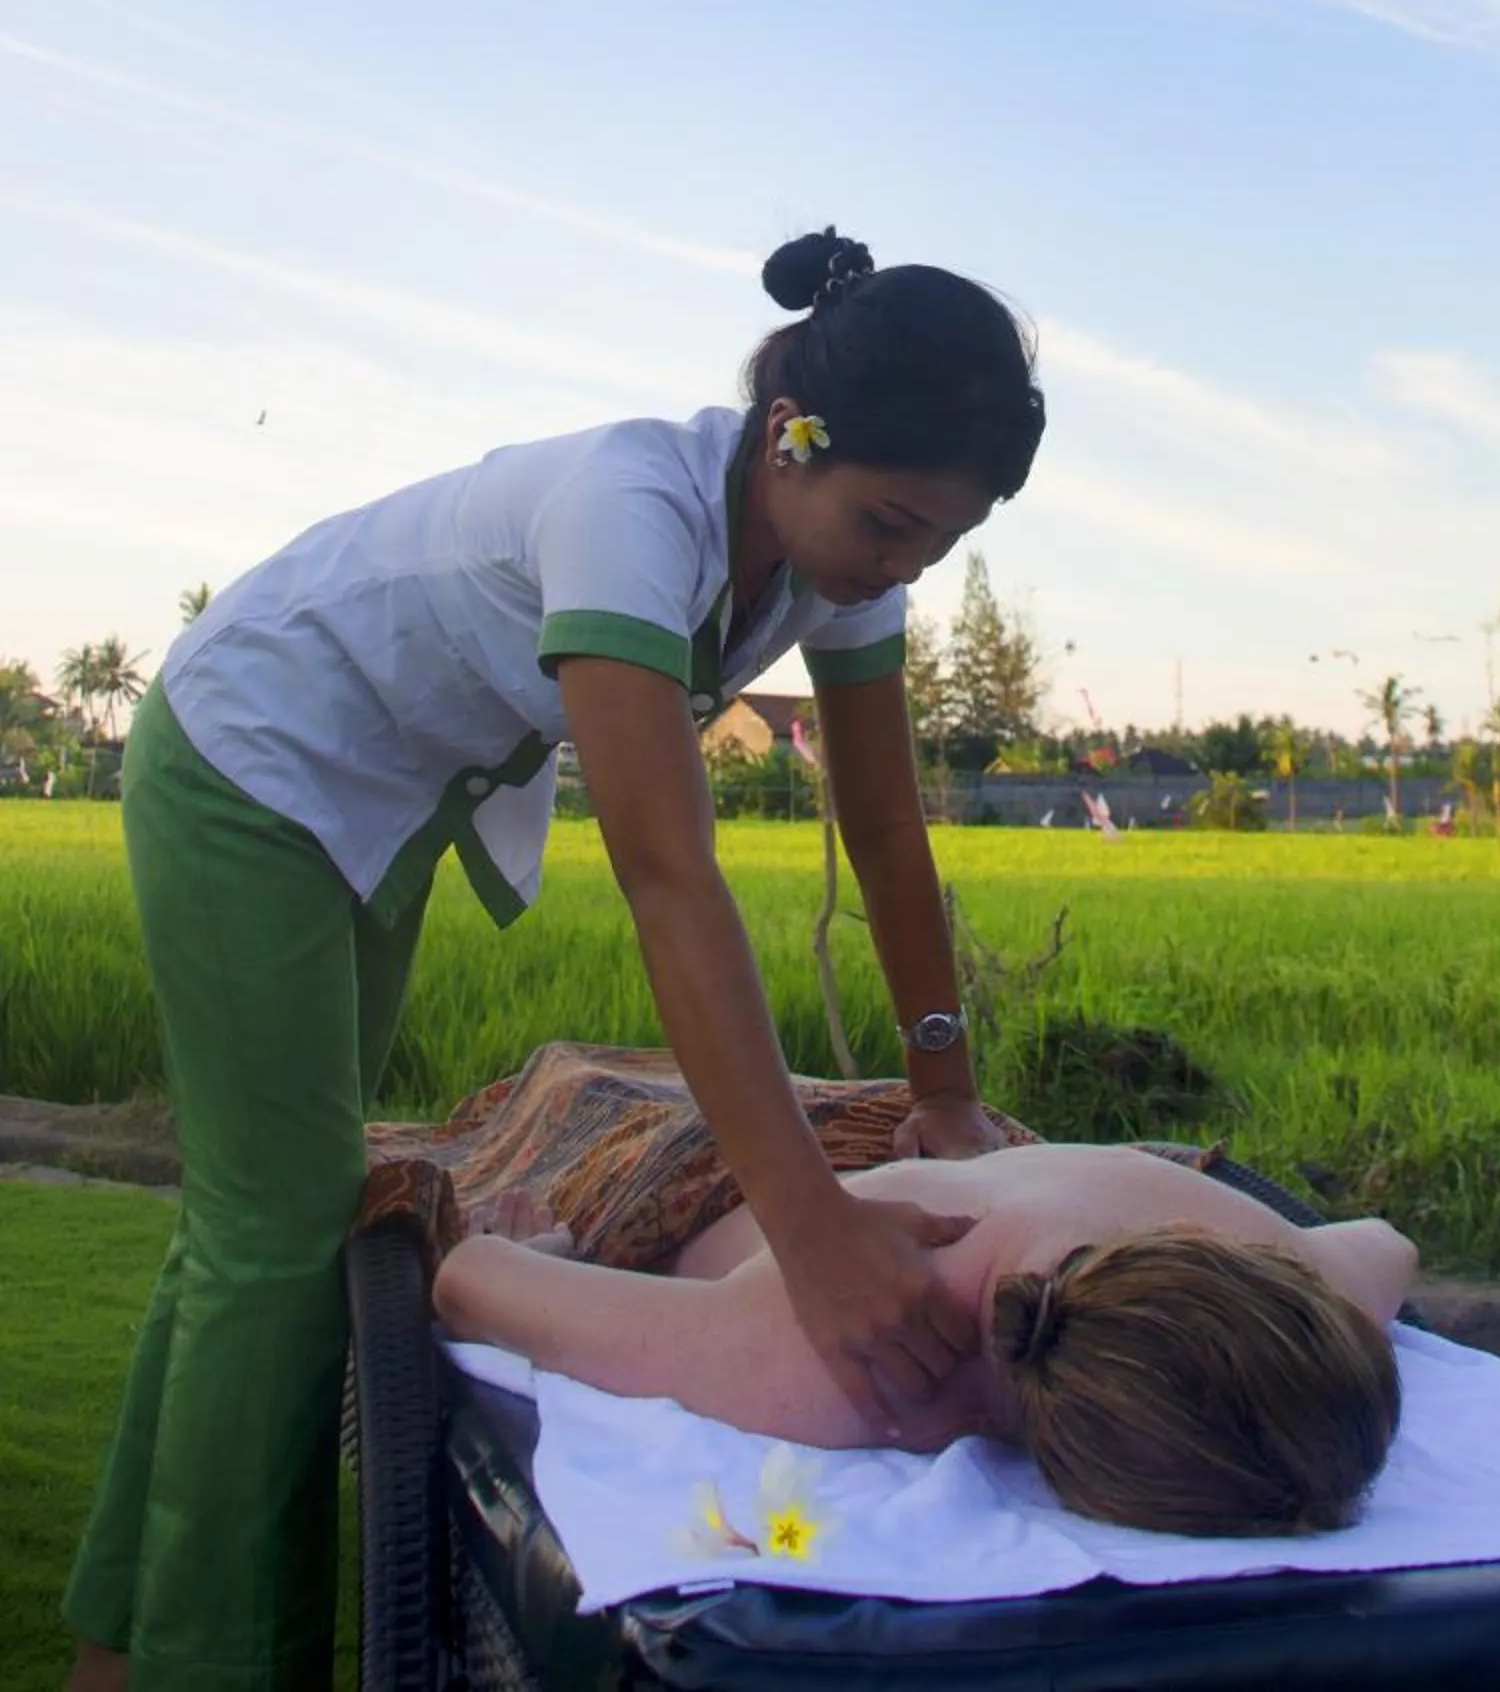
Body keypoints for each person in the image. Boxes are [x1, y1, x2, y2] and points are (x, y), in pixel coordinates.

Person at [66, 228, 1043, 1692]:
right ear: (791, 435)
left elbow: (888, 829)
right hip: (248, 763)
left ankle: (112, 1647)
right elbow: (669, 877)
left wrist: (945, 1089)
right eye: (891, 524)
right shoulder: (630, 507)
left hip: (374, 801)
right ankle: (212, 1660)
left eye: (939, 546)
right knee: (280, 1235)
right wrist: (814, 1234)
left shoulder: (843, 569)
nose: (901, 565)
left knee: (249, 1228)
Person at [436, 1140, 1415, 1537]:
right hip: (719, 1162)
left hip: (950, 1146)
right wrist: (554, 1249)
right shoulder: (826, 1363)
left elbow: (1387, 1244)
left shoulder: (1288, 1267)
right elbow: (470, 1280)